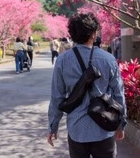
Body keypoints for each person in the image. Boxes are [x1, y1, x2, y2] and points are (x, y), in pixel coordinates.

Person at [47, 13, 127, 158]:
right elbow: (118, 94)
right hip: (104, 126)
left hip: (77, 129)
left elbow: (57, 97)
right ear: (93, 34)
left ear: (72, 35)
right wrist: (121, 124)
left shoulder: (63, 60)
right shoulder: (108, 59)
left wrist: (53, 126)